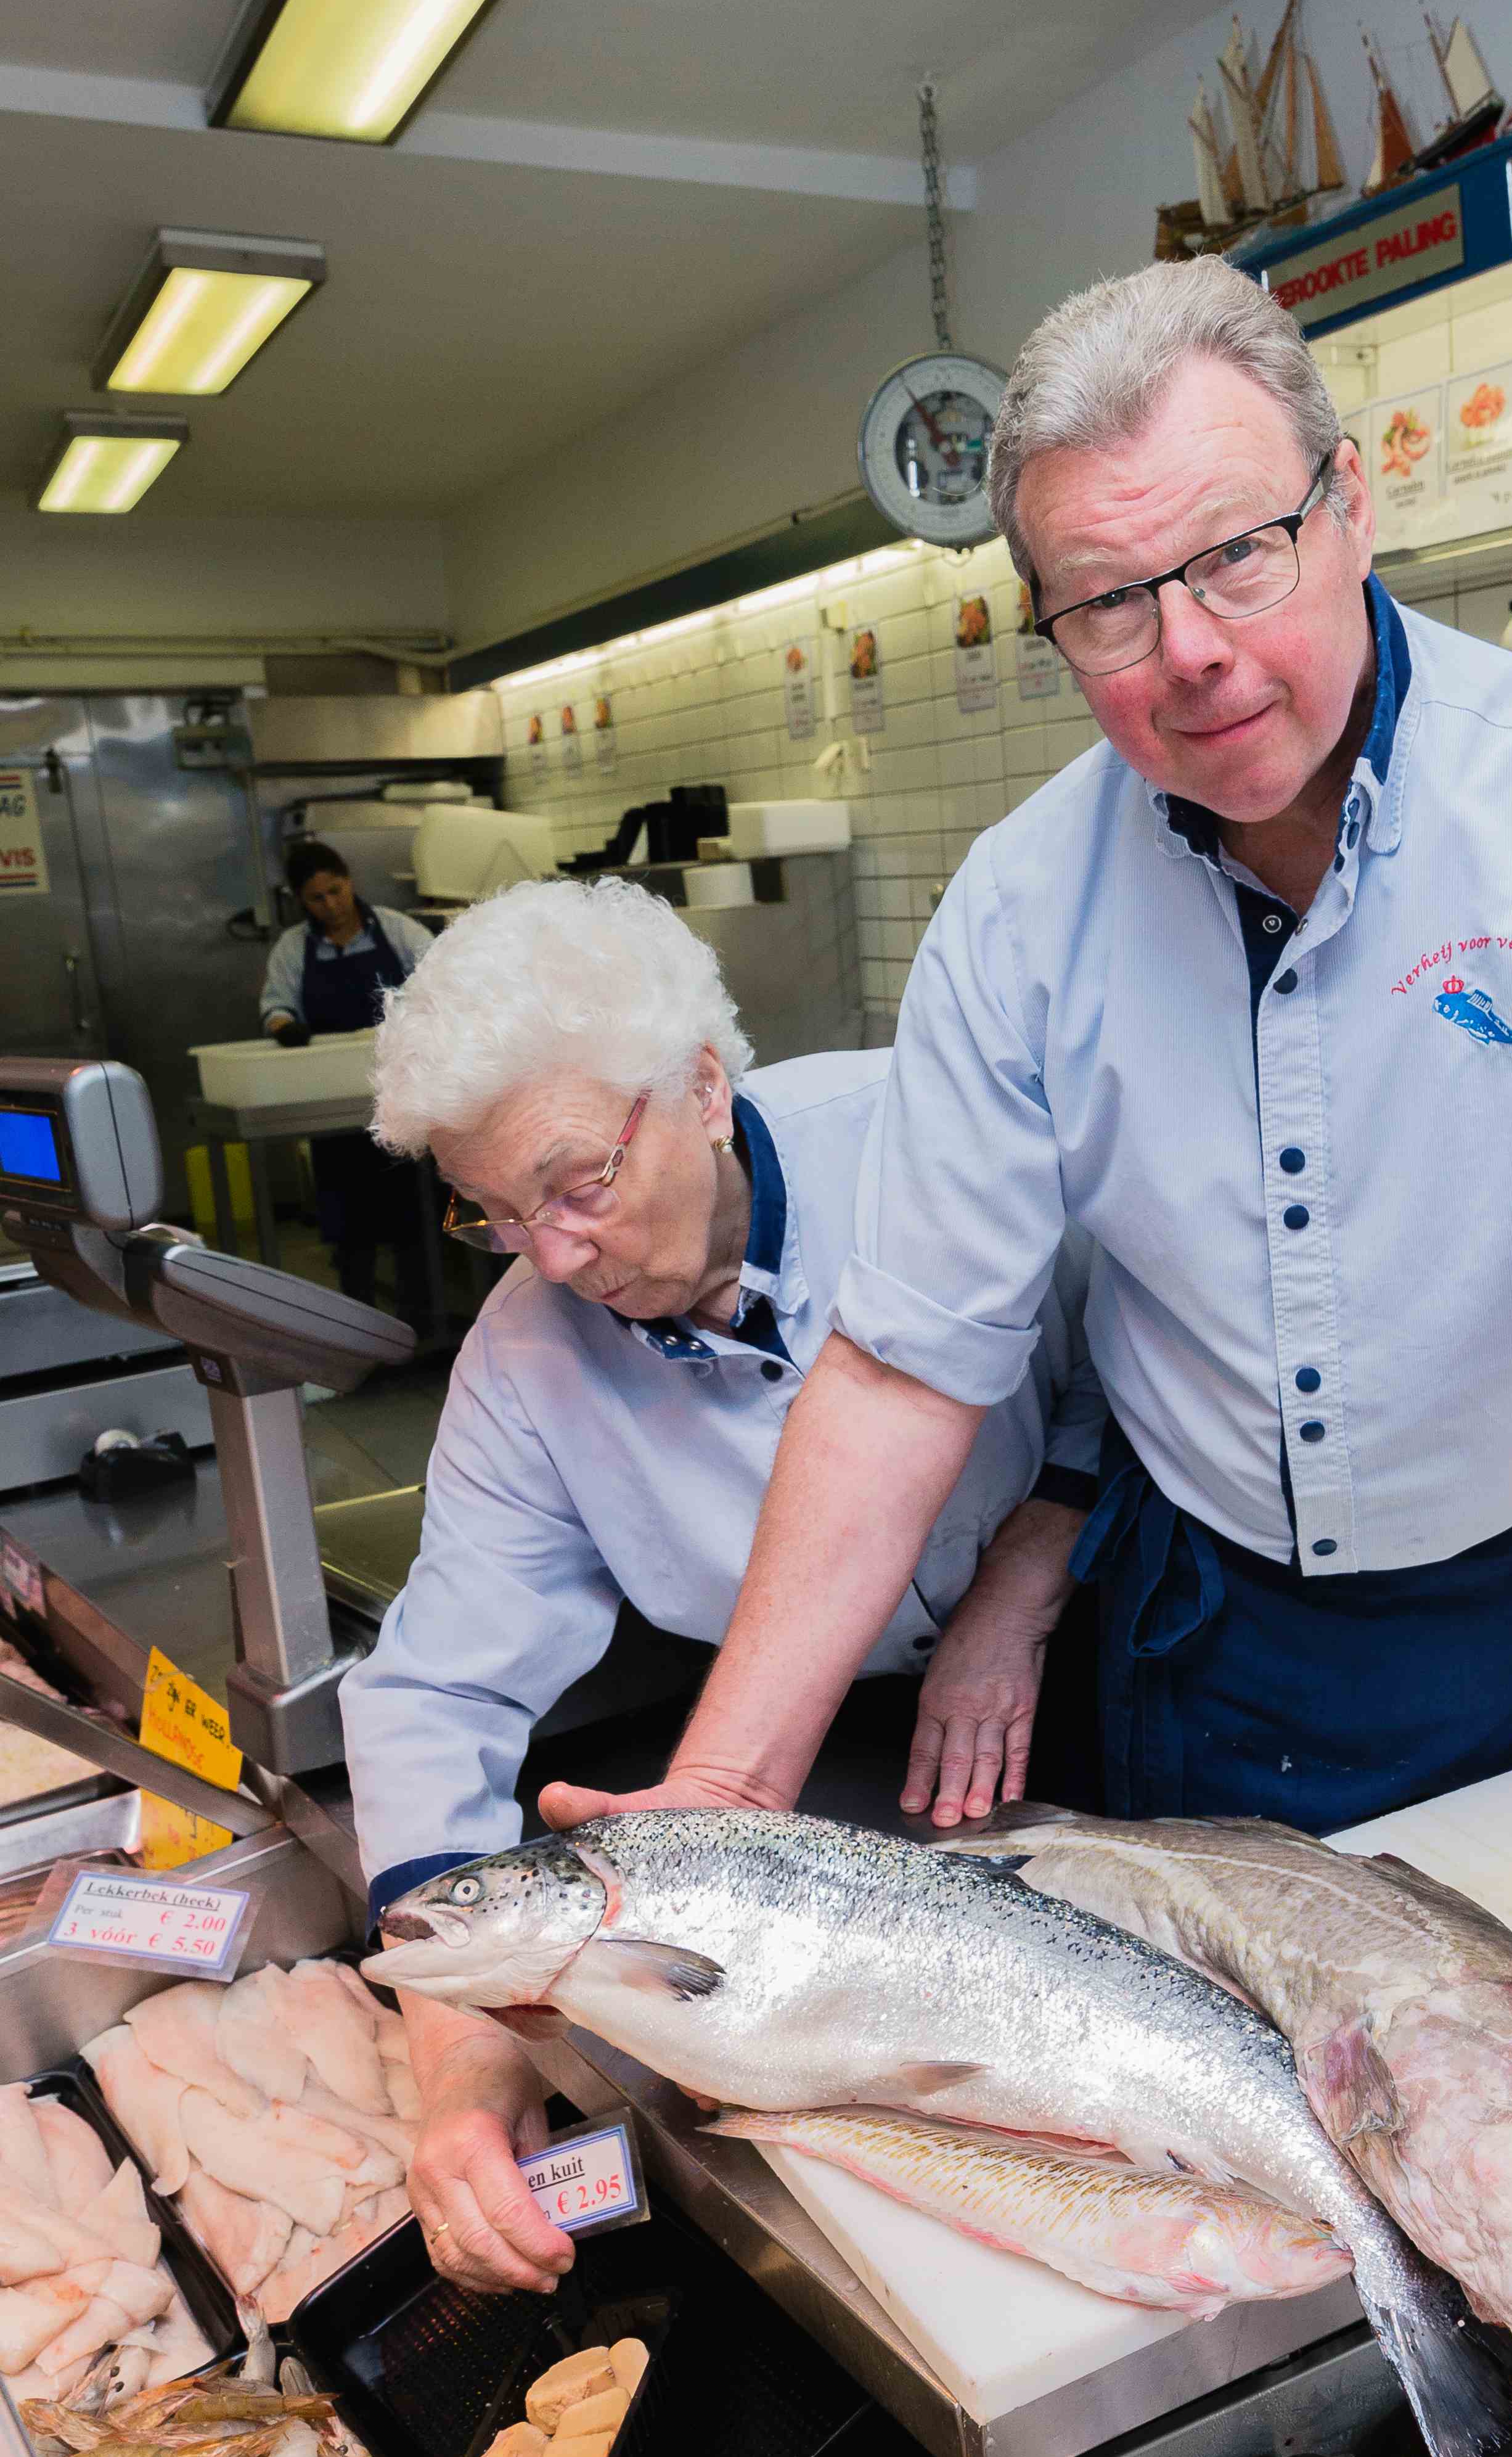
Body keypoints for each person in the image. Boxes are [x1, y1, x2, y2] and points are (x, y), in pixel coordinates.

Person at [545, 260, 1512, 2108]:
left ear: (1351, 504)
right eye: (1108, 605)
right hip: (1203, 1619)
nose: (1196, 653)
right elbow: (908, 1365)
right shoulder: (1015, 914)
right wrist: (730, 1793)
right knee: (1233, 2138)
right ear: (1048, 629)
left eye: (1243, 553)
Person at [345, 876, 1100, 2291]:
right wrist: (458, 2051)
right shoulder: (526, 1354)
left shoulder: (924, 1135)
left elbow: (1133, 1339)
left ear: (700, 1082)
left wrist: (1037, 1550)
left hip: (1101, 1654)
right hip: (841, 1768)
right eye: (492, 1215)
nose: (554, 1255)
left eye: (580, 1184)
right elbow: (438, 1685)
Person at [260, 838, 436, 1320]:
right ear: (301, 901)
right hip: (331, 1099)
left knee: (410, 1214)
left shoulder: (397, 930)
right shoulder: (294, 947)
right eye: (318, 898)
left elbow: (441, 980)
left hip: (399, 1093)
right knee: (347, 1220)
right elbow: (275, 1005)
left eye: (336, 891)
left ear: (350, 882)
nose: (331, 905)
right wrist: (284, 1027)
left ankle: (422, 1321)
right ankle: (358, 1324)